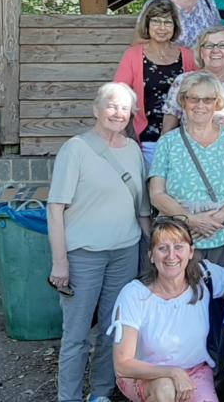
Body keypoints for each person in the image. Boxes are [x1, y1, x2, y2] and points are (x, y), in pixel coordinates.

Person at [48, 82, 154, 402]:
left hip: (125, 253)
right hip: (84, 256)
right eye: (111, 105)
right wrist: (60, 262)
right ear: (96, 109)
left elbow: (142, 209)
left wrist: (151, 248)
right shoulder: (76, 149)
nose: (117, 113)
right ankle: (69, 397)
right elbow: (55, 208)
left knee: (113, 330)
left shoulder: (133, 150)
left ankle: (101, 394)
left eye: (124, 108)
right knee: (77, 334)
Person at [109, 217, 224, 402]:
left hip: (195, 370)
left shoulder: (205, 277)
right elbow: (122, 364)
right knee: (165, 389)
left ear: (191, 252)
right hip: (145, 375)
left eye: (178, 247)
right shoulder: (135, 294)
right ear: (151, 255)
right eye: (162, 248)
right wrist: (172, 372)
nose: (171, 255)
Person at [149, 72, 224, 269]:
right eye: (193, 99)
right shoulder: (168, 142)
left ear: (217, 103)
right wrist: (190, 220)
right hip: (182, 239)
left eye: (208, 100)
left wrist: (218, 218)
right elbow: (156, 194)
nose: (200, 105)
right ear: (183, 101)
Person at [114, 0, 199, 164]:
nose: (162, 27)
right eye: (156, 21)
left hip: (183, 139)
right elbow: (117, 96)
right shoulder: (133, 55)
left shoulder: (188, 56)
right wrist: (121, 135)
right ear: (147, 24)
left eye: (167, 22)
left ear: (175, 26)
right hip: (147, 140)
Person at [161, 26, 224, 138]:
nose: (215, 50)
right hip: (190, 148)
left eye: (222, 45)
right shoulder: (183, 81)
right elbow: (167, 130)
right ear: (201, 53)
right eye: (209, 45)